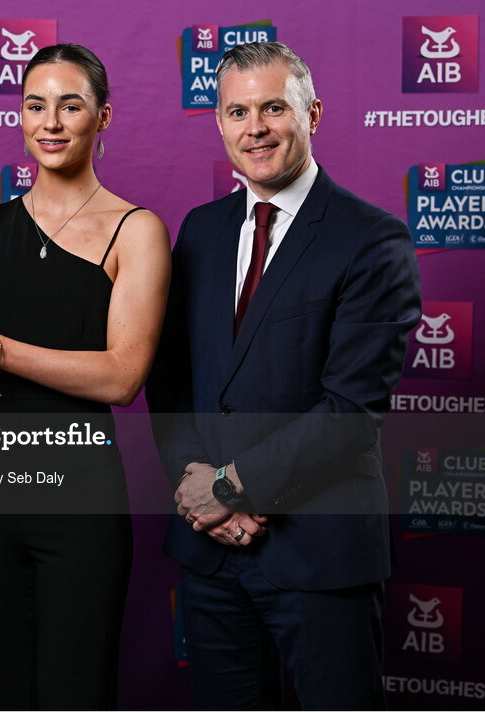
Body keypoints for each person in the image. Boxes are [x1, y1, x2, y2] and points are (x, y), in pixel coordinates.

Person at [0, 44, 170, 709]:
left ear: (104, 117)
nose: (51, 121)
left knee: (75, 684)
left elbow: (122, 377)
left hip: (78, 491)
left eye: (71, 105)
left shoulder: (136, 231)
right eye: (35, 104)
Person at [147, 42, 421, 709]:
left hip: (319, 553)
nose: (255, 127)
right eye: (238, 111)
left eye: (274, 107)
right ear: (219, 123)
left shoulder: (372, 239)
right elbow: (173, 379)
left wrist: (229, 488)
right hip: (212, 554)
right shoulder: (202, 231)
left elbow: (351, 411)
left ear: (313, 113)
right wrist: (197, 491)